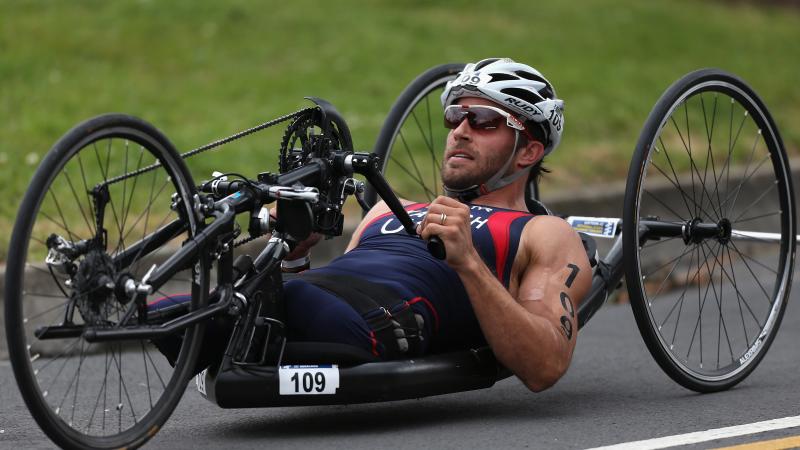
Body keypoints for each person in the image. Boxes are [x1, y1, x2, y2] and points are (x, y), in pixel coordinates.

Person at [277, 58, 591, 392]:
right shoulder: (385, 209)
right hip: (307, 300)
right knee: (239, 292)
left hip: (374, 320)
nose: (460, 132)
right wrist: (294, 255)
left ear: (528, 151)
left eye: (484, 120)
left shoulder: (542, 231)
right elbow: (326, 283)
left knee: (261, 303)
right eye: (455, 116)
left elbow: (547, 364)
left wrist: (468, 260)